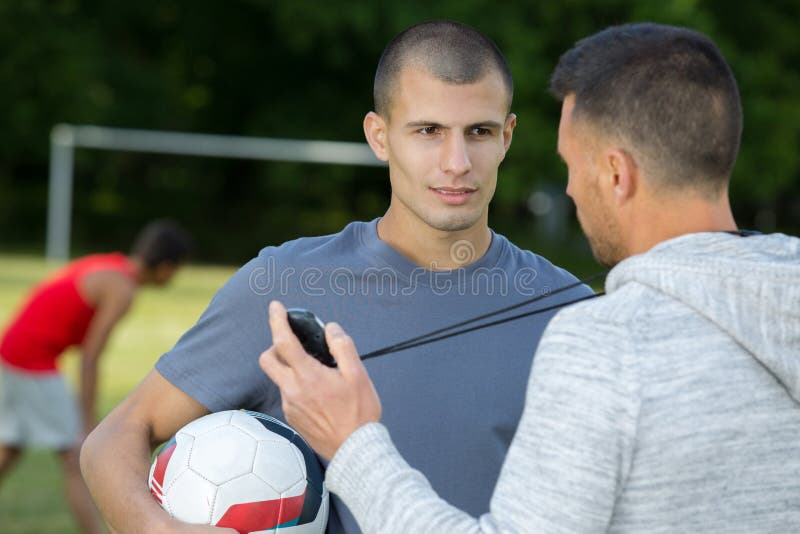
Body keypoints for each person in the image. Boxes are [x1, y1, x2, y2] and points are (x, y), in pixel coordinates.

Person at [261, 22, 800, 533]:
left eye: (572, 165)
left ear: (616, 174)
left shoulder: (604, 345)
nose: (568, 191)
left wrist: (354, 444)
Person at [79, 19, 590, 534]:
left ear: (506, 137)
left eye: (478, 132)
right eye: (428, 131)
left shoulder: (570, 313)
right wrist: (156, 529)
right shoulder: (283, 285)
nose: (456, 162)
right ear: (379, 136)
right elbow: (116, 437)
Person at [0, 219, 192, 534]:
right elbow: (91, 357)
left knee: (11, 445)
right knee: (76, 458)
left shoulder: (112, 265)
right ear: (167, 267)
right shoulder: (123, 289)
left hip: (14, 349)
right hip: (30, 357)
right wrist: (87, 422)